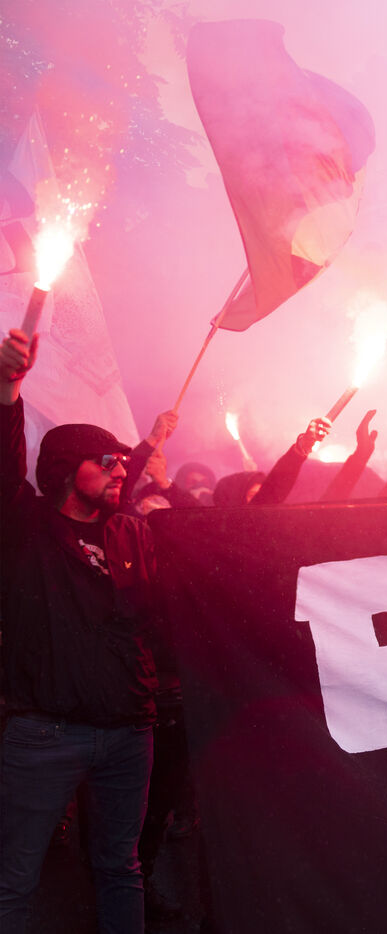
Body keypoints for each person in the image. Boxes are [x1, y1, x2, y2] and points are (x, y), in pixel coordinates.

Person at [0, 328, 158, 932]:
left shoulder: (133, 532)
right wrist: (9, 387)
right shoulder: (24, 526)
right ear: (67, 470)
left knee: (122, 868)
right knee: (14, 878)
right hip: (46, 733)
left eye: (125, 461)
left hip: (129, 731)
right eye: (107, 461)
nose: (122, 470)